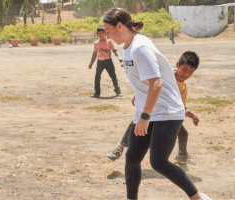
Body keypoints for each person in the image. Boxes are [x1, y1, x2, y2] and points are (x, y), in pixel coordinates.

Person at [103, 8, 212, 200]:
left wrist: (145, 117)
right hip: (148, 109)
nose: (107, 35)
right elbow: (147, 79)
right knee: (132, 159)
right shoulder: (128, 46)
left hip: (167, 112)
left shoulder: (140, 47)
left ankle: (198, 198)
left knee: (158, 162)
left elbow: (157, 83)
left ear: (119, 26)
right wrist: (141, 97)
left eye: (108, 30)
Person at [108, 51, 200, 165]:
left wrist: (193, 116)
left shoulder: (184, 87)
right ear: (177, 65)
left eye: (191, 72)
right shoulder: (166, 75)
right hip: (152, 110)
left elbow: (182, 107)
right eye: (185, 69)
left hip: (167, 116)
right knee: (134, 126)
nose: (187, 74)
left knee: (183, 133)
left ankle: (182, 155)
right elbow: (150, 84)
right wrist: (137, 95)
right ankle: (119, 149)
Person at [88, 26, 123, 98]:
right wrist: (91, 63)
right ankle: (97, 93)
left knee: (113, 76)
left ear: (105, 33)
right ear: (97, 34)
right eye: (99, 33)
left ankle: (117, 91)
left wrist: (119, 58)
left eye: (102, 33)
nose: (101, 34)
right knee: (97, 77)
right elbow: (94, 54)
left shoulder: (109, 41)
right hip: (100, 62)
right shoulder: (96, 43)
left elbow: (114, 50)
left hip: (108, 62)